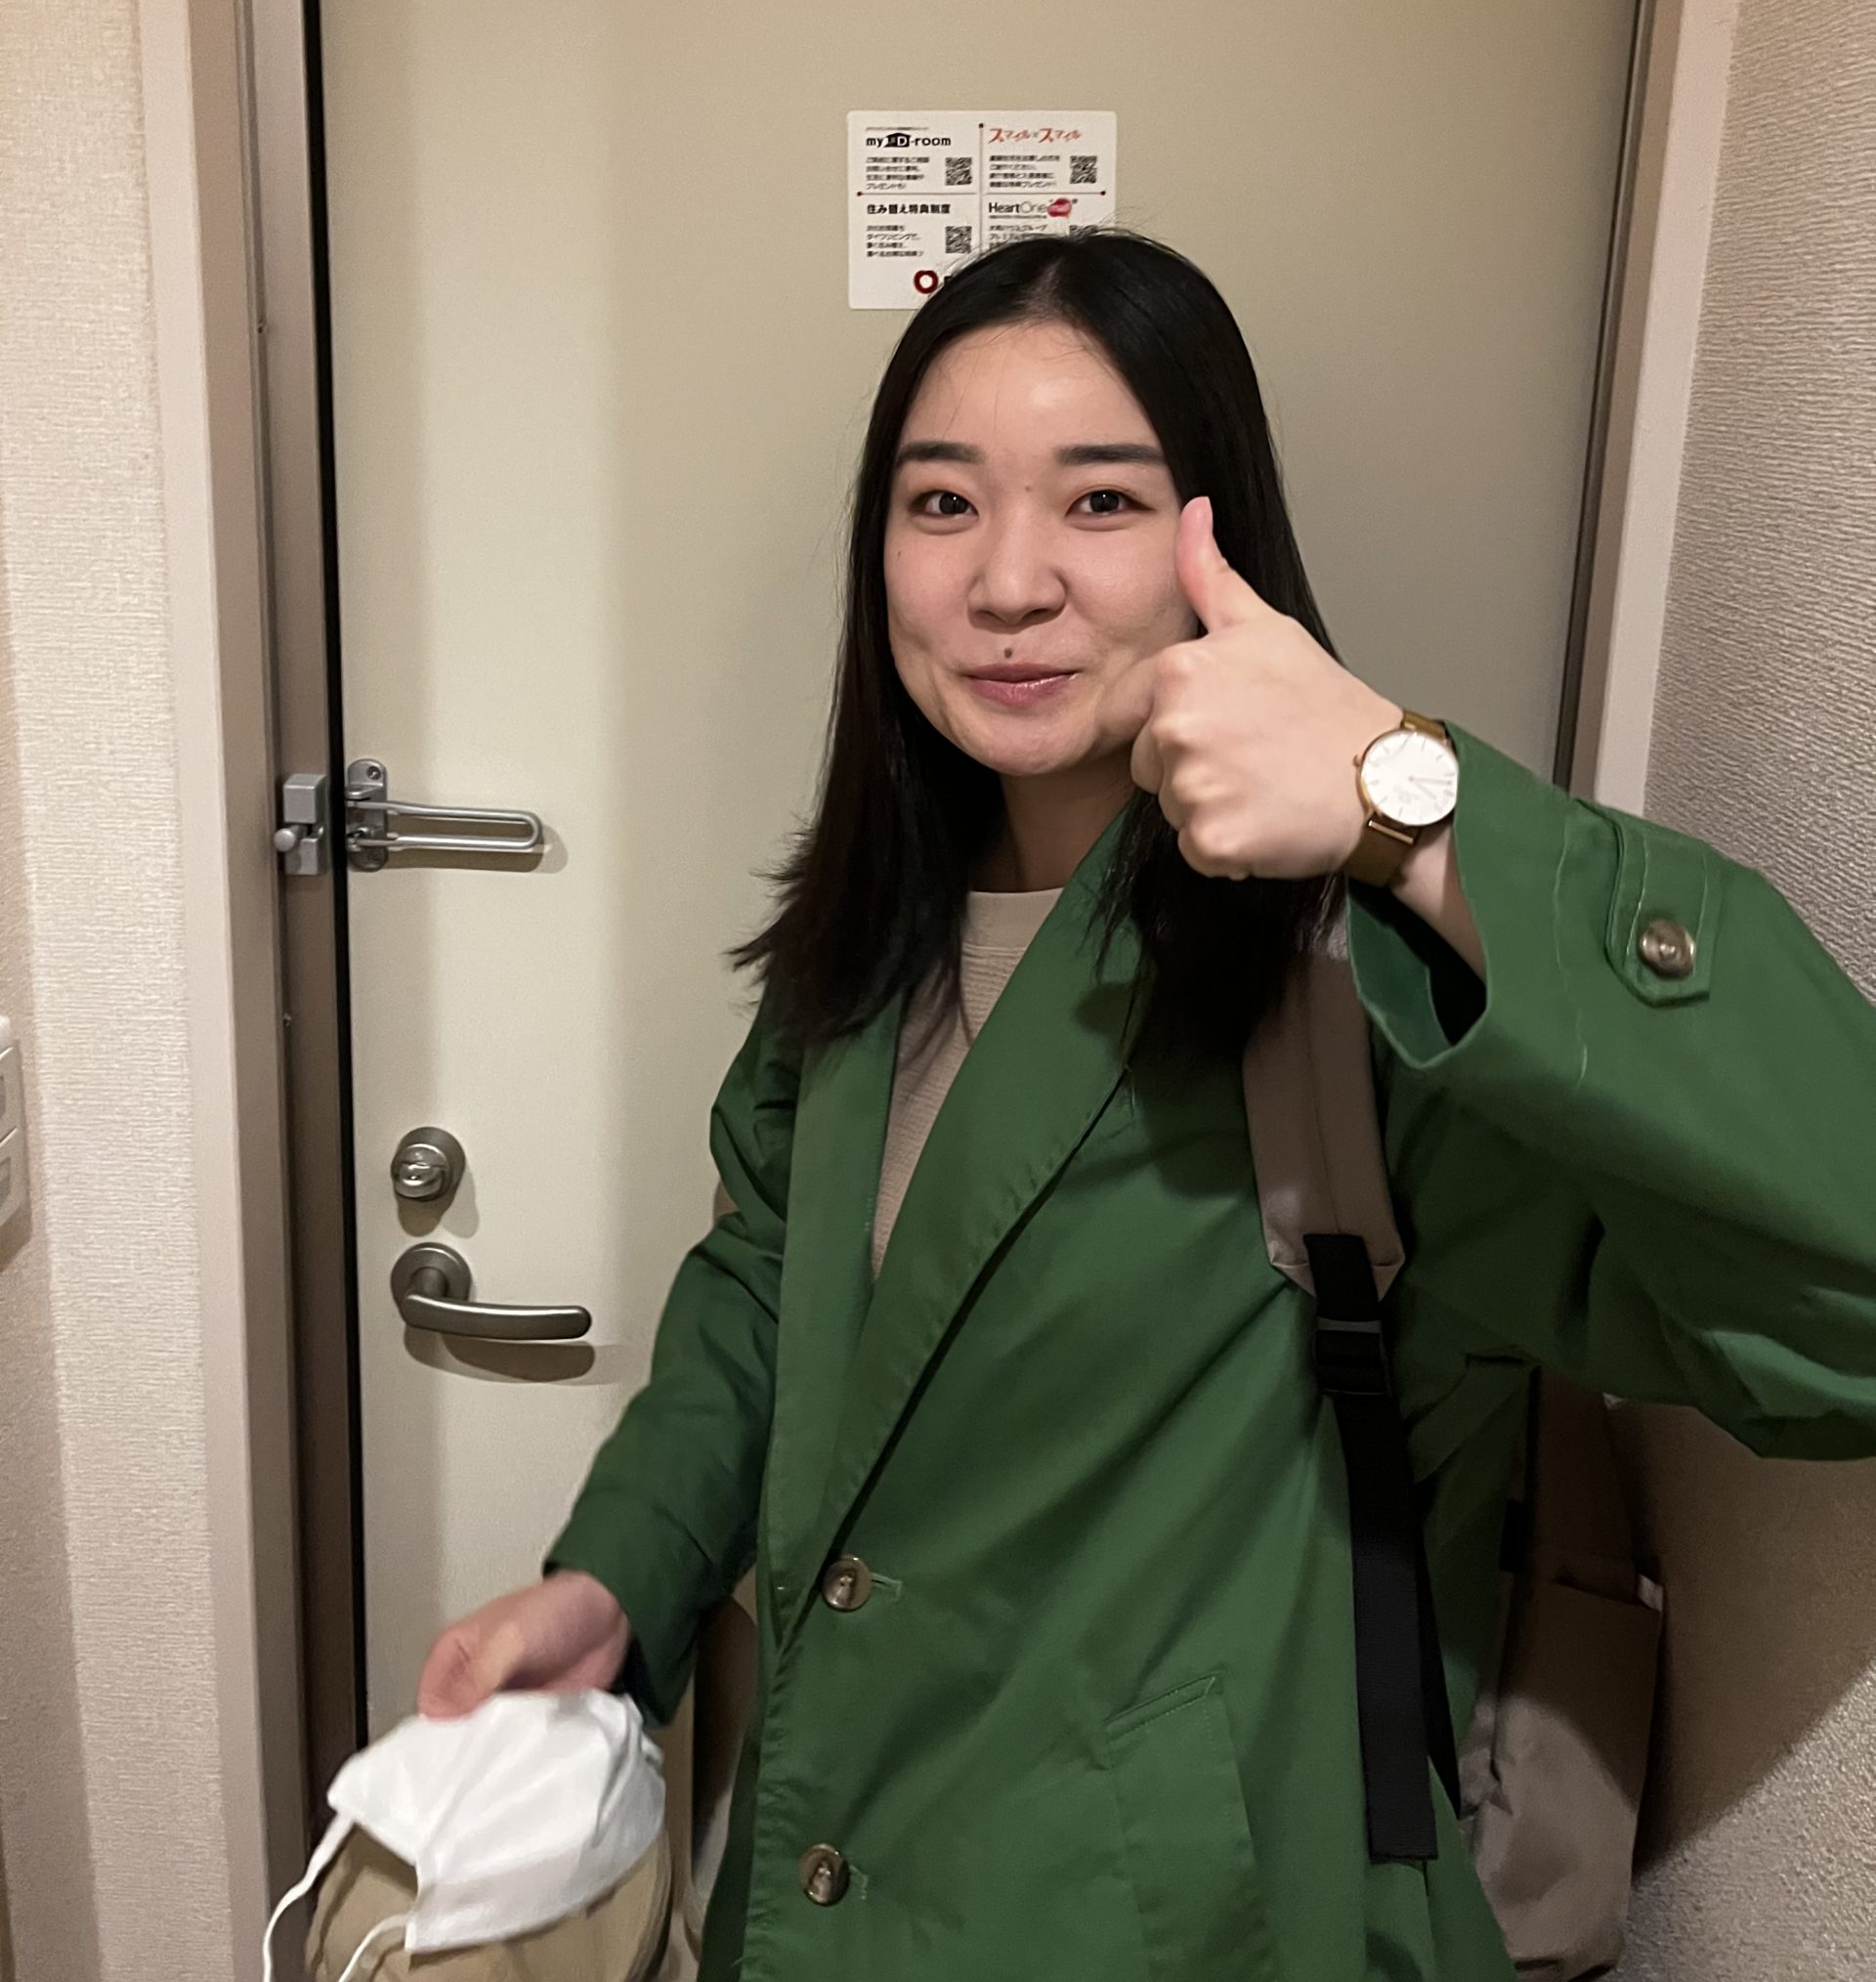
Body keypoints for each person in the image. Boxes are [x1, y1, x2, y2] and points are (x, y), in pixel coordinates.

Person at [418, 233, 1876, 1982]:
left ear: (1215, 540)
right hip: (819, 1894)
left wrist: (1410, 808)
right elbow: (767, 1300)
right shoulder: (872, 948)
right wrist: (618, 1579)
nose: (1006, 581)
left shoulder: (1363, 993)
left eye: (1100, 502)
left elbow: (1849, 1304)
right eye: (941, 503)